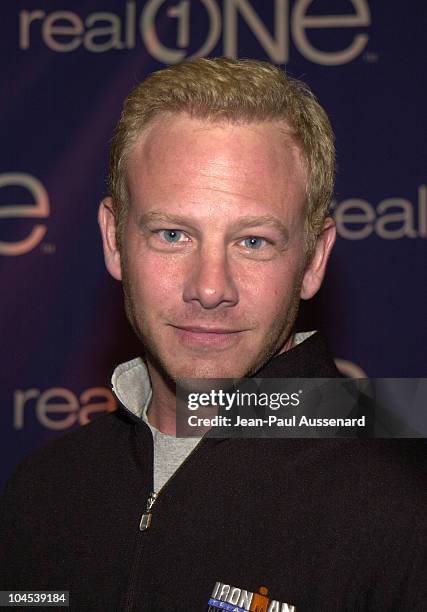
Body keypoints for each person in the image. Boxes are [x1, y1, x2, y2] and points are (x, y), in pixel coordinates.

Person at [0, 58, 425, 612]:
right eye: (173, 234)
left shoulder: (405, 507)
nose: (209, 288)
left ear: (314, 258)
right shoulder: (43, 491)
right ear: (113, 240)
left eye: (253, 242)